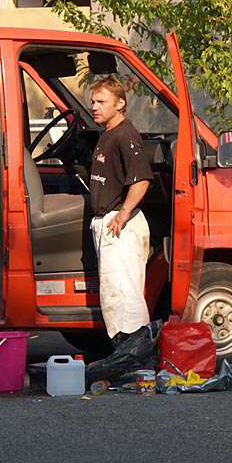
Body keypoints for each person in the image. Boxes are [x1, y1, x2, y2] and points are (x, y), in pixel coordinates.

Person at [87, 75, 154, 347]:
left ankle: (136, 355)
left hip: (121, 226)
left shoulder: (126, 135)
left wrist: (123, 213)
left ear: (120, 103)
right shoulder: (107, 134)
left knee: (125, 297)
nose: (94, 106)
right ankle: (125, 353)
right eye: (93, 101)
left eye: (102, 101)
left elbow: (141, 179)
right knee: (113, 297)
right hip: (108, 223)